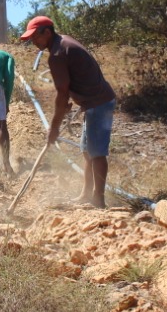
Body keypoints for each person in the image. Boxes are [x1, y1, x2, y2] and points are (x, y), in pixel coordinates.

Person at [21, 15, 116, 208]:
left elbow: (62, 92)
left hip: (98, 103)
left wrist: (54, 128)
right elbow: (74, 80)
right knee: (87, 151)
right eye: (30, 38)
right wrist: (73, 99)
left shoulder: (57, 54)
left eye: (35, 37)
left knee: (97, 153)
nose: (33, 41)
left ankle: (99, 200)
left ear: (47, 32)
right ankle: (86, 194)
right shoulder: (64, 42)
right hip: (93, 102)